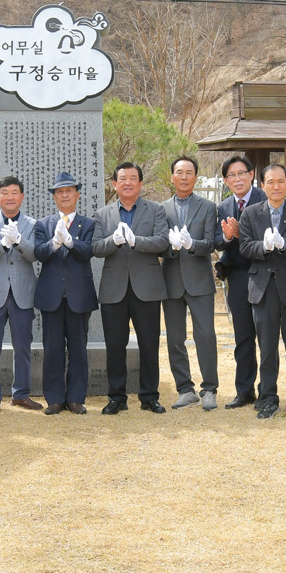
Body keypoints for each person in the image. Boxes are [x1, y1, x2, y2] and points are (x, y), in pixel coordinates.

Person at [93, 161, 171, 414]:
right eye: (122, 179)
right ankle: (117, 397)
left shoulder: (156, 210)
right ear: (114, 184)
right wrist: (113, 241)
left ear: (140, 183)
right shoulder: (102, 214)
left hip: (147, 288)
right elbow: (96, 247)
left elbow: (162, 242)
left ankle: (149, 396)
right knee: (115, 345)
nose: (128, 183)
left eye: (133, 178)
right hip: (114, 289)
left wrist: (136, 241)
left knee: (149, 344)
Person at [238, 163, 286, 419]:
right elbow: (245, 247)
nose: (276, 186)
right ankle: (267, 396)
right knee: (267, 347)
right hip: (262, 288)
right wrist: (264, 246)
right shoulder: (250, 213)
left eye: (281, 181)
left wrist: (284, 244)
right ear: (262, 185)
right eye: (270, 182)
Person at [33, 173, 99, 414]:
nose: (64, 195)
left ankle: (75, 398)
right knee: (52, 348)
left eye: (69, 191)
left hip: (78, 294)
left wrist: (70, 242)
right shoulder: (43, 224)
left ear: (77, 195)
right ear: (54, 197)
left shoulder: (88, 224)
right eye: (59, 192)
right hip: (51, 295)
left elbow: (89, 251)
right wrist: (54, 244)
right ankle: (54, 399)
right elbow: (39, 253)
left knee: (78, 348)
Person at [160, 155, 220, 410]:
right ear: (172, 176)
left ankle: (210, 388)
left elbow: (211, 243)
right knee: (175, 338)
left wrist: (192, 244)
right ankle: (185, 389)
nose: (184, 177)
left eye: (189, 173)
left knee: (205, 335)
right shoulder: (161, 208)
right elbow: (159, 244)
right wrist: (171, 247)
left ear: (196, 177)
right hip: (171, 280)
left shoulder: (208, 207)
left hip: (200, 280)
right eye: (179, 172)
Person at [0, 176, 40, 413]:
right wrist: (3, 244)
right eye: (5, 193)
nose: (10, 197)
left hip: (22, 292)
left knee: (22, 347)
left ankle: (21, 394)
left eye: (15, 192)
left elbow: (34, 255)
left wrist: (19, 241)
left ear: (22, 197)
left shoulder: (32, 224)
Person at [214, 155, 266, 408]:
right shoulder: (224, 206)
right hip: (237, 276)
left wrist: (240, 233)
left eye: (241, 173)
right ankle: (244, 391)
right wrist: (227, 237)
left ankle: (267, 391)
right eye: (231, 175)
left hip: (264, 274)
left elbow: (269, 236)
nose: (237, 179)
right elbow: (217, 241)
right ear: (226, 181)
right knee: (243, 336)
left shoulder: (265, 199)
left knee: (266, 336)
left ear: (251, 174)